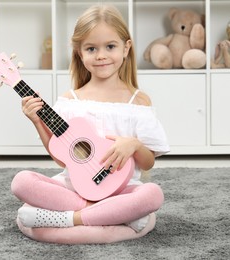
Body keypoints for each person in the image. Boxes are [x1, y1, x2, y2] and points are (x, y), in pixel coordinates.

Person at [11, 4, 169, 233]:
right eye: (92, 49)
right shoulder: (70, 100)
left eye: (110, 46)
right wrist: (37, 120)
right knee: (21, 181)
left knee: (152, 194)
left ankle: (70, 218)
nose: (101, 55)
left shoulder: (138, 101)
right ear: (79, 52)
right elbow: (62, 160)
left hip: (121, 189)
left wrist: (133, 145)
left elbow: (148, 162)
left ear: (126, 49)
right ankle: (107, 213)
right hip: (74, 187)